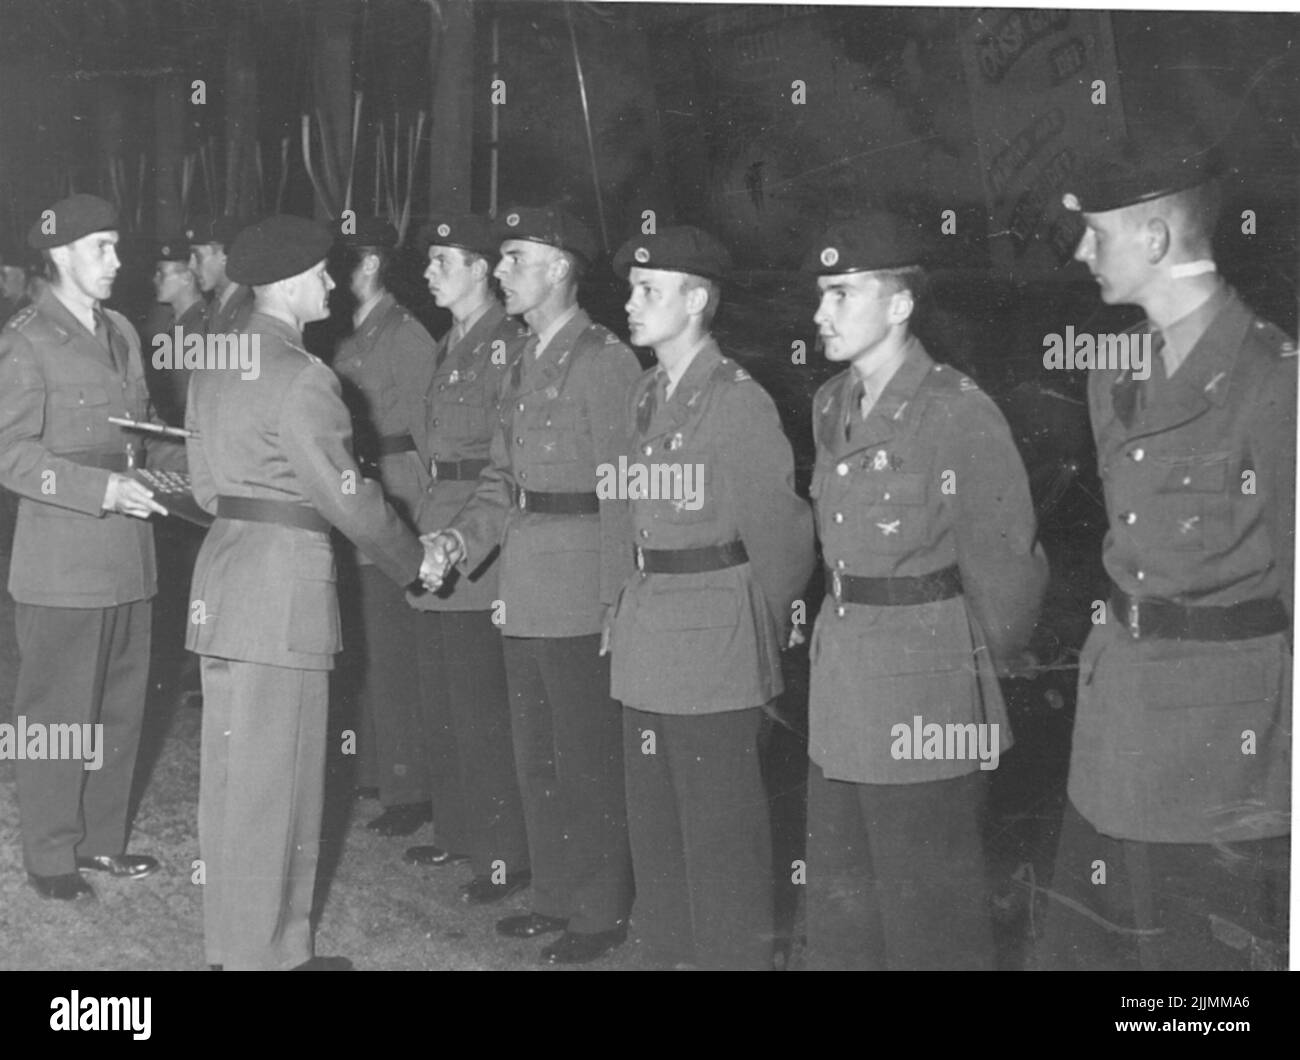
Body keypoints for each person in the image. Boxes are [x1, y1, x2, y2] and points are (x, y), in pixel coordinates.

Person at [1039, 140, 1294, 971]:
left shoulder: (1272, 381)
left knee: (1195, 982)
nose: (1082, 251)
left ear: (1154, 237)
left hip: (1222, 750)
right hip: (1118, 719)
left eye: (1096, 233)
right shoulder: (1115, 374)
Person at [185, 215, 442, 970]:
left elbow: (205, 489)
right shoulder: (303, 376)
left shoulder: (214, 363)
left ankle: (237, 949)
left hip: (225, 581)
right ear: (294, 282)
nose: (331, 282)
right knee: (282, 784)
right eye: (324, 273)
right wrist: (414, 559)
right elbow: (351, 499)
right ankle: (270, 959)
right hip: (283, 596)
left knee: (233, 784)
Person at [801, 212, 1048, 969]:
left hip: (924, 688)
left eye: (843, 294)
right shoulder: (830, 403)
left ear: (900, 304)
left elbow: (1007, 566)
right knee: (844, 902)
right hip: (844, 678)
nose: (820, 313)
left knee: (929, 915)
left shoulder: (957, 412)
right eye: (821, 295)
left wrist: (978, 674)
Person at [423, 204, 640, 964]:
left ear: (559, 267)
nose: (502, 271)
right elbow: (501, 480)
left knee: (585, 759)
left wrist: (618, 598)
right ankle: (552, 893)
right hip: (523, 584)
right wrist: (459, 538)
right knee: (536, 755)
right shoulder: (523, 358)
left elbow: (623, 494)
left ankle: (599, 910)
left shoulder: (605, 360)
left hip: (580, 589)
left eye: (515, 258)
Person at [606, 226, 815, 969]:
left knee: (720, 837)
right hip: (648, 632)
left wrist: (752, 625)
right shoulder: (646, 392)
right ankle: (659, 951)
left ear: (696, 300)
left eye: (648, 290)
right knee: (655, 826)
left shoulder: (736, 401)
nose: (630, 303)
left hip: (712, 641)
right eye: (632, 289)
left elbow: (785, 540)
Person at [0, 194, 183, 900]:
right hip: (63, 558)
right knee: (57, 713)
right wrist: (100, 491)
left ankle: (103, 841)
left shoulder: (123, 331)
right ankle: (51, 853)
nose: (117, 260)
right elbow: (11, 454)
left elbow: (140, 428)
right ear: (60, 254)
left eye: (115, 245)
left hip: (129, 552)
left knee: (119, 704)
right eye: (102, 247)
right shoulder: (25, 339)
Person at [402, 213, 532, 903]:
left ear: (481, 269)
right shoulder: (451, 343)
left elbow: (502, 463)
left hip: (476, 534)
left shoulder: (506, 346)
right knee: (444, 696)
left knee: (480, 705)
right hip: (435, 516)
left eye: (442, 260)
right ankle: (457, 829)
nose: (429, 273)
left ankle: (502, 853)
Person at [330, 216, 434, 837]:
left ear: (368, 266)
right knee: (366, 645)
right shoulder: (350, 337)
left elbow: (429, 434)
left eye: (344, 263)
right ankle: (374, 770)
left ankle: (409, 788)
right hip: (358, 498)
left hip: (397, 496)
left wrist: (418, 520)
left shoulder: (406, 334)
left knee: (395, 654)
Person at [149, 237, 208, 427]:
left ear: (187, 278)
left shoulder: (204, 327)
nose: (155, 279)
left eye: (161, 273)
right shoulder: (166, 324)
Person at [186, 214, 253, 336]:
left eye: (198, 256)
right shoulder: (215, 306)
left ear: (224, 256)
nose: (191, 266)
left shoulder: (250, 312)